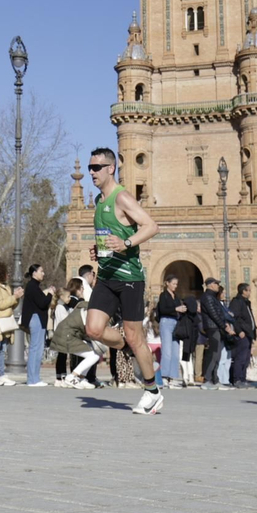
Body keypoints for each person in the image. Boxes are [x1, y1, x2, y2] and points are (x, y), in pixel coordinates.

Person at [80, 147, 165, 415]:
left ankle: (152, 391)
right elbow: (109, 235)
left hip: (129, 278)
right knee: (93, 329)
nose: (91, 172)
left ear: (110, 168)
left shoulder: (122, 197)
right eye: (90, 167)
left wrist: (126, 242)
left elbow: (151, 226)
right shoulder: (98, 200)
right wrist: (99, 249)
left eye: (96, 168)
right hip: (106, 276)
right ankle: (127, 346)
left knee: (134, 335)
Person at [21, 264, 55, 386]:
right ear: (34, 273)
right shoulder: (32, 286)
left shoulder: (34, 286)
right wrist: (50, 293)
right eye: (41, 271)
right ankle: (32, 379)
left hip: (38, 319)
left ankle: (35, 378)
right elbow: (42, 303)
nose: (43, 273)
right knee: (35, 349)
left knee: (37, 349)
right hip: (36, 319)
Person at [198, 278, 233, 390]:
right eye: (216, 283)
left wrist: (224, 325)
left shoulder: (213, 297)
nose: (218, 285)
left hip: (216, 327)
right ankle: (207, 379)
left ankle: (214, 379)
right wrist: (224, 326)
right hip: (212, 327)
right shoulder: (207, 297)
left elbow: (219, 313)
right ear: (210, 285)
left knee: (217, 354)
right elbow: (213, 314)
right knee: (213, 354)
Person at [154, 275, 185, 388]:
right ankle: (164, 377)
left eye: (176, 284)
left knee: (175, 351)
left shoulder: (176, 297)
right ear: (167, 283)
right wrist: (175, 309)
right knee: (167, 351)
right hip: (166, 322)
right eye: (173, 284)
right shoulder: (163, 296)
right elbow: (163, 309)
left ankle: (172, 377)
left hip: (175, 323)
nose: (175, 286)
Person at [227, 282, 256, 388]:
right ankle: (237, 379)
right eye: (248, 290)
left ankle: (243, 378)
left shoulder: (246, 302)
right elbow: (234, 318)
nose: (250, 292)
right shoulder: (237, 302)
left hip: (249, 334)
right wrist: (239, 331)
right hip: (242, 334)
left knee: (246, 358)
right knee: (240, 357)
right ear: (243, 291)